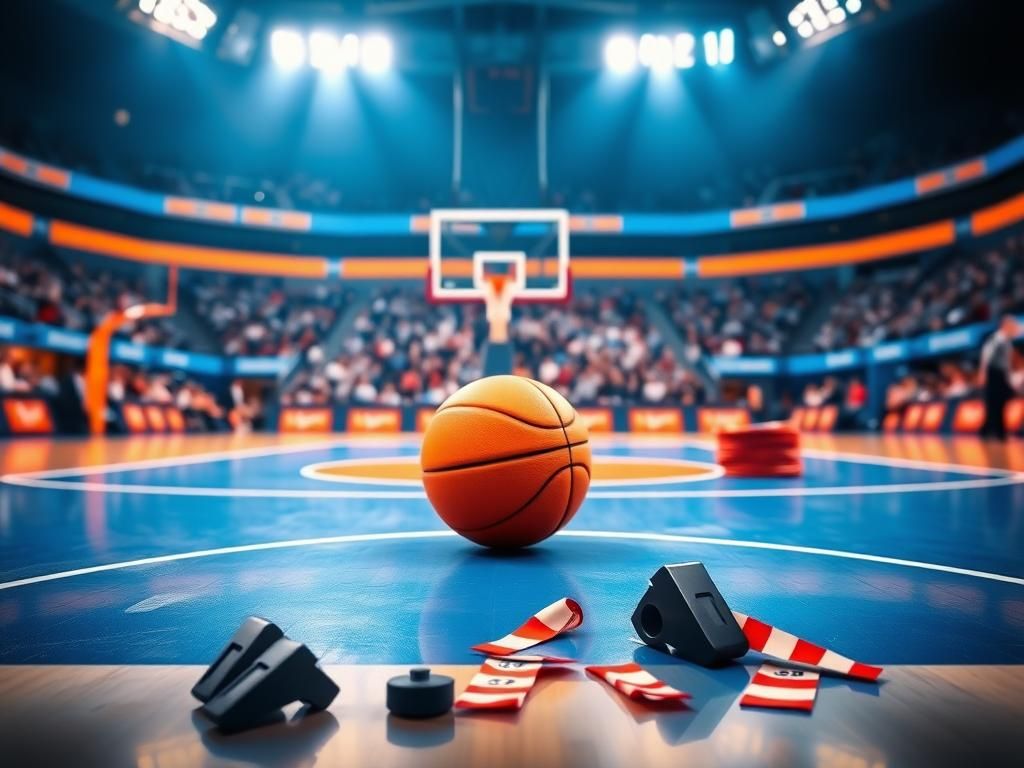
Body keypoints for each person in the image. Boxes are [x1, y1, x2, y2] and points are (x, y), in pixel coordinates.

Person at [978, 314, 1019, 441]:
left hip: (1001, 375)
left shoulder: (1007, 342)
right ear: (1005, 326)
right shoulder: (996, 339)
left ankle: (999, 431)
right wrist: (983, 373)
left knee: (1001, 402)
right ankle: (989, 431)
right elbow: (986, 356)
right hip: (994, 374)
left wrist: (1008, 379)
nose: (1015, 328)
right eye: (1012, 325)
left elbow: (1006, 364)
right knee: (993, 403)